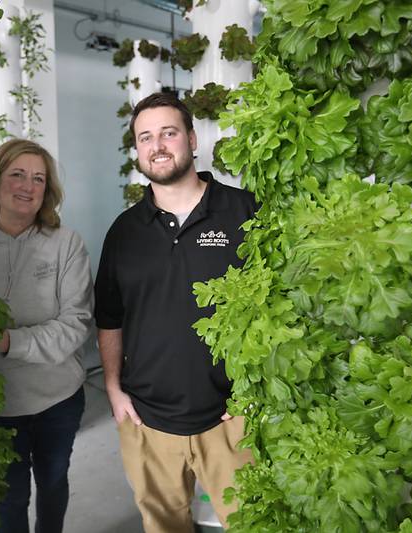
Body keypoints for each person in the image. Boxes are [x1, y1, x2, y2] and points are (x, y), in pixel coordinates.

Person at [94, 92, 258, 533]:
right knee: (163, 525)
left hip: (231, 416)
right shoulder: (125, 232)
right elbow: (110, 318)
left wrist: (253, 393)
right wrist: (113, 388)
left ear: (191, 138)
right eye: (145, 137)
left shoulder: (244, 212)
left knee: (254, 523)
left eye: (168, 132)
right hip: (147, 420)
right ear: (137, 151)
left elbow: (275, 308)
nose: (157, 145)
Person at [0, 138, 93, 533]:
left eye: (39, 178)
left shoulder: (66, 244)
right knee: (8, 500)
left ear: (48, 191)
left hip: (56, 401)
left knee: (52, 483)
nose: (27, 186)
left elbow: (76, 325)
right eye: (17, 174)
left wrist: (7, 342)